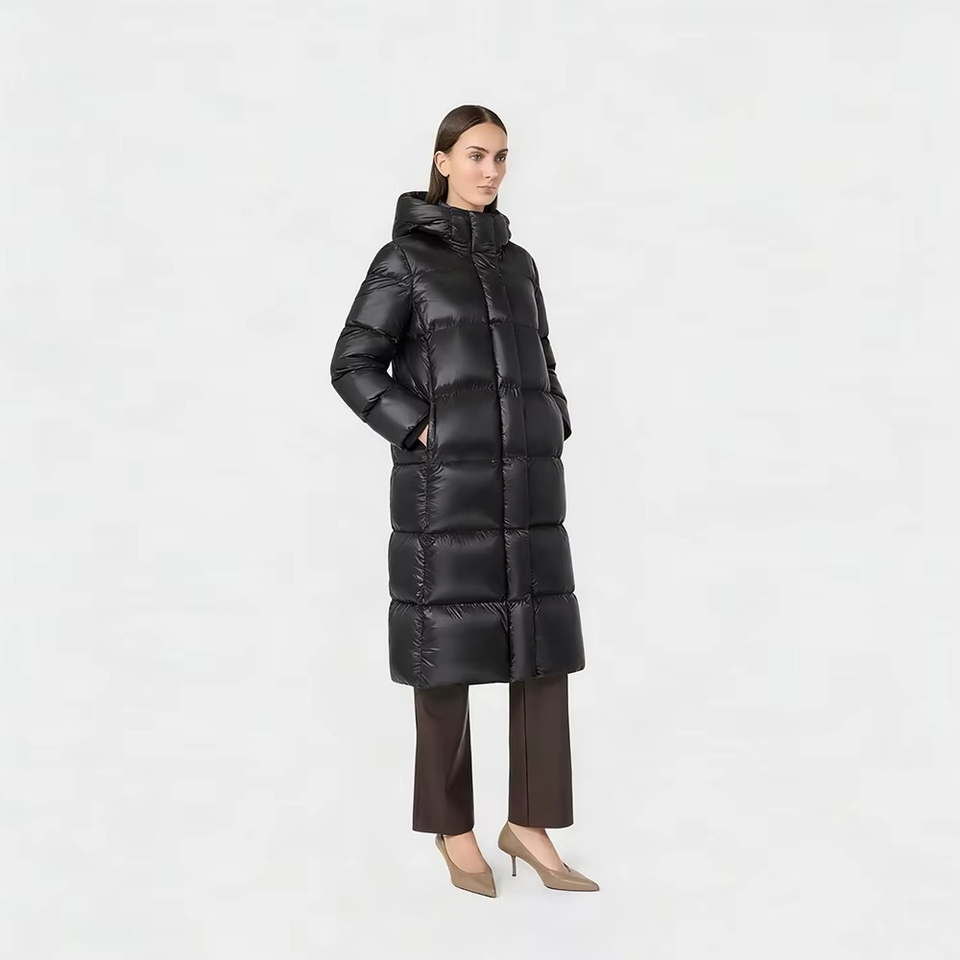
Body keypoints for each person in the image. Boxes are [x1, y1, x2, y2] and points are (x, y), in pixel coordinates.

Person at [329, 104, 598, 897]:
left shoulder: (518, 263)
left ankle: (531, 824)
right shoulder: (404, 260)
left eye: (501, 157)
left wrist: (553, 415)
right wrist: (420, 430)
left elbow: (542, 356)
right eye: (476, 154)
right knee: (443, 656)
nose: (490, 170)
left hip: (531, 485)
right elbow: (353, 363)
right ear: (442, 160)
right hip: (445, 491)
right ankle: (454, 831)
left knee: (542, 652)